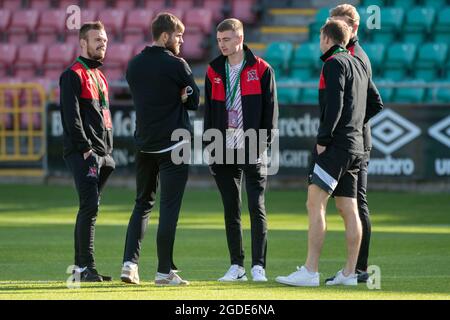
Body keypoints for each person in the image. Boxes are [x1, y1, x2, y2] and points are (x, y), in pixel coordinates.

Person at [276, 19, 378, 286]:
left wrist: (323, 139)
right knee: (348, 208)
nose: (319, 42)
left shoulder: (333, 64)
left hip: (335, 147)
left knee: (315, 203)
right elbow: (375, 101)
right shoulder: (358, 63)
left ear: (328, 39)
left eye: (320, 37)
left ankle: (310, 271)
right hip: (356, 147)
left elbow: (334, 103)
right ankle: (349, 273)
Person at [121, 13, 199, 286]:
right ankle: (164, 272)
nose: (181, 40)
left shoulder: (134, 64)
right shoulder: (178, 64)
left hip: (144, 144)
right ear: (165, 36)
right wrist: (181, 95)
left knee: (142, 204)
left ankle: (129, 264)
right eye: (178, 35)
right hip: (174, 144)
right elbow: (194, 102)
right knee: (168, 207)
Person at [203, 18, 278, 282]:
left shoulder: (261, 69)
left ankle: (259, 266)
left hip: (252, 147)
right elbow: (209, 114)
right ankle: (237, 266)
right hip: (223, 148)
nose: (221, 45)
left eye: (226, 39)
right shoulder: (213, 71)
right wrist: (210, 148)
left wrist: (262, 145)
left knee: (256, 207)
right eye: (219, 40)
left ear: (240, 38)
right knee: (230, 209)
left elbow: (270, 114)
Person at [327, 4, 384, 283]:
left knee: (357, 204)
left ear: (354, 28)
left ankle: (359, 269)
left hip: (356, 142)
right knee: (348, 203)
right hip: (354, 140)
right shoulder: (343, 55)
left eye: (339, 25)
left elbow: (374, 102)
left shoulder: (356, 56)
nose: (334, 31)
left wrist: (353, 122)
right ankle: (354, 269)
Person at [60, 21, 115, 282]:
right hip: (84, 152)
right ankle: (84, 268)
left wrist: (108, 151)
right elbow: (71, 118)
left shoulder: (100, 76)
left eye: (104, 39)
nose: (103, 43)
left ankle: (84, 268)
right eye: (97, 39)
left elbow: (104, 116)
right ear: (83, 43)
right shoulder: (73, 74)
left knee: (89, 208)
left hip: (102, 153)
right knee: (90, 206)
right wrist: (85, 148)